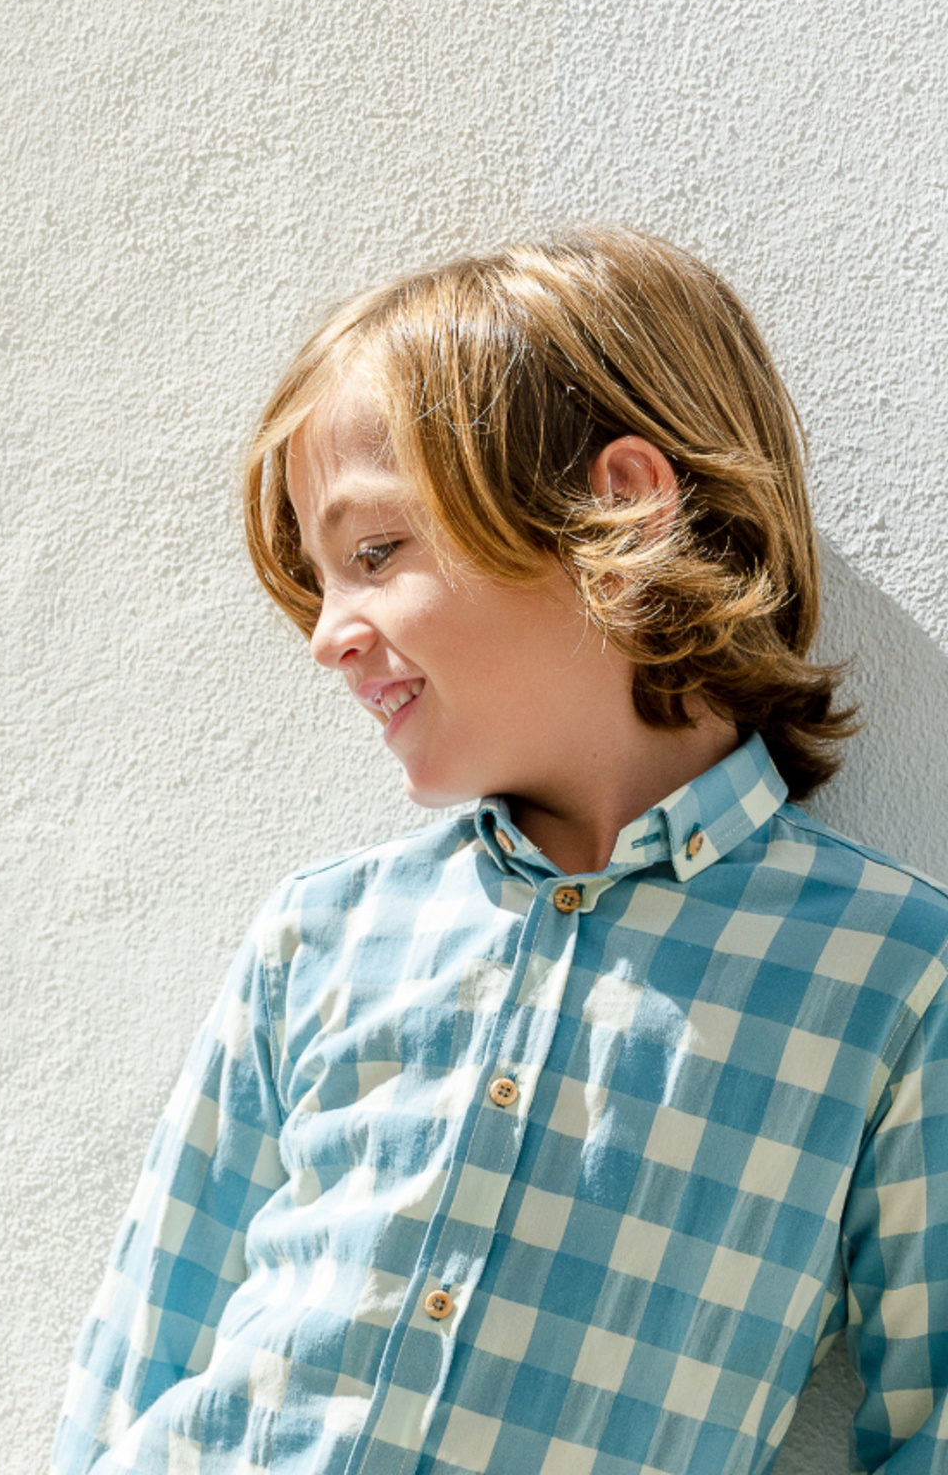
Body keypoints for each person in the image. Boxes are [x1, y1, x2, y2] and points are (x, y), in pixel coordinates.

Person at [51, 227, 948, 1474]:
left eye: (373, 555)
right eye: (317, 585)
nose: (329, 637)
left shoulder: (894, 973)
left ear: (620, 504)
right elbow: (140, 1355)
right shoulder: (321, 934)